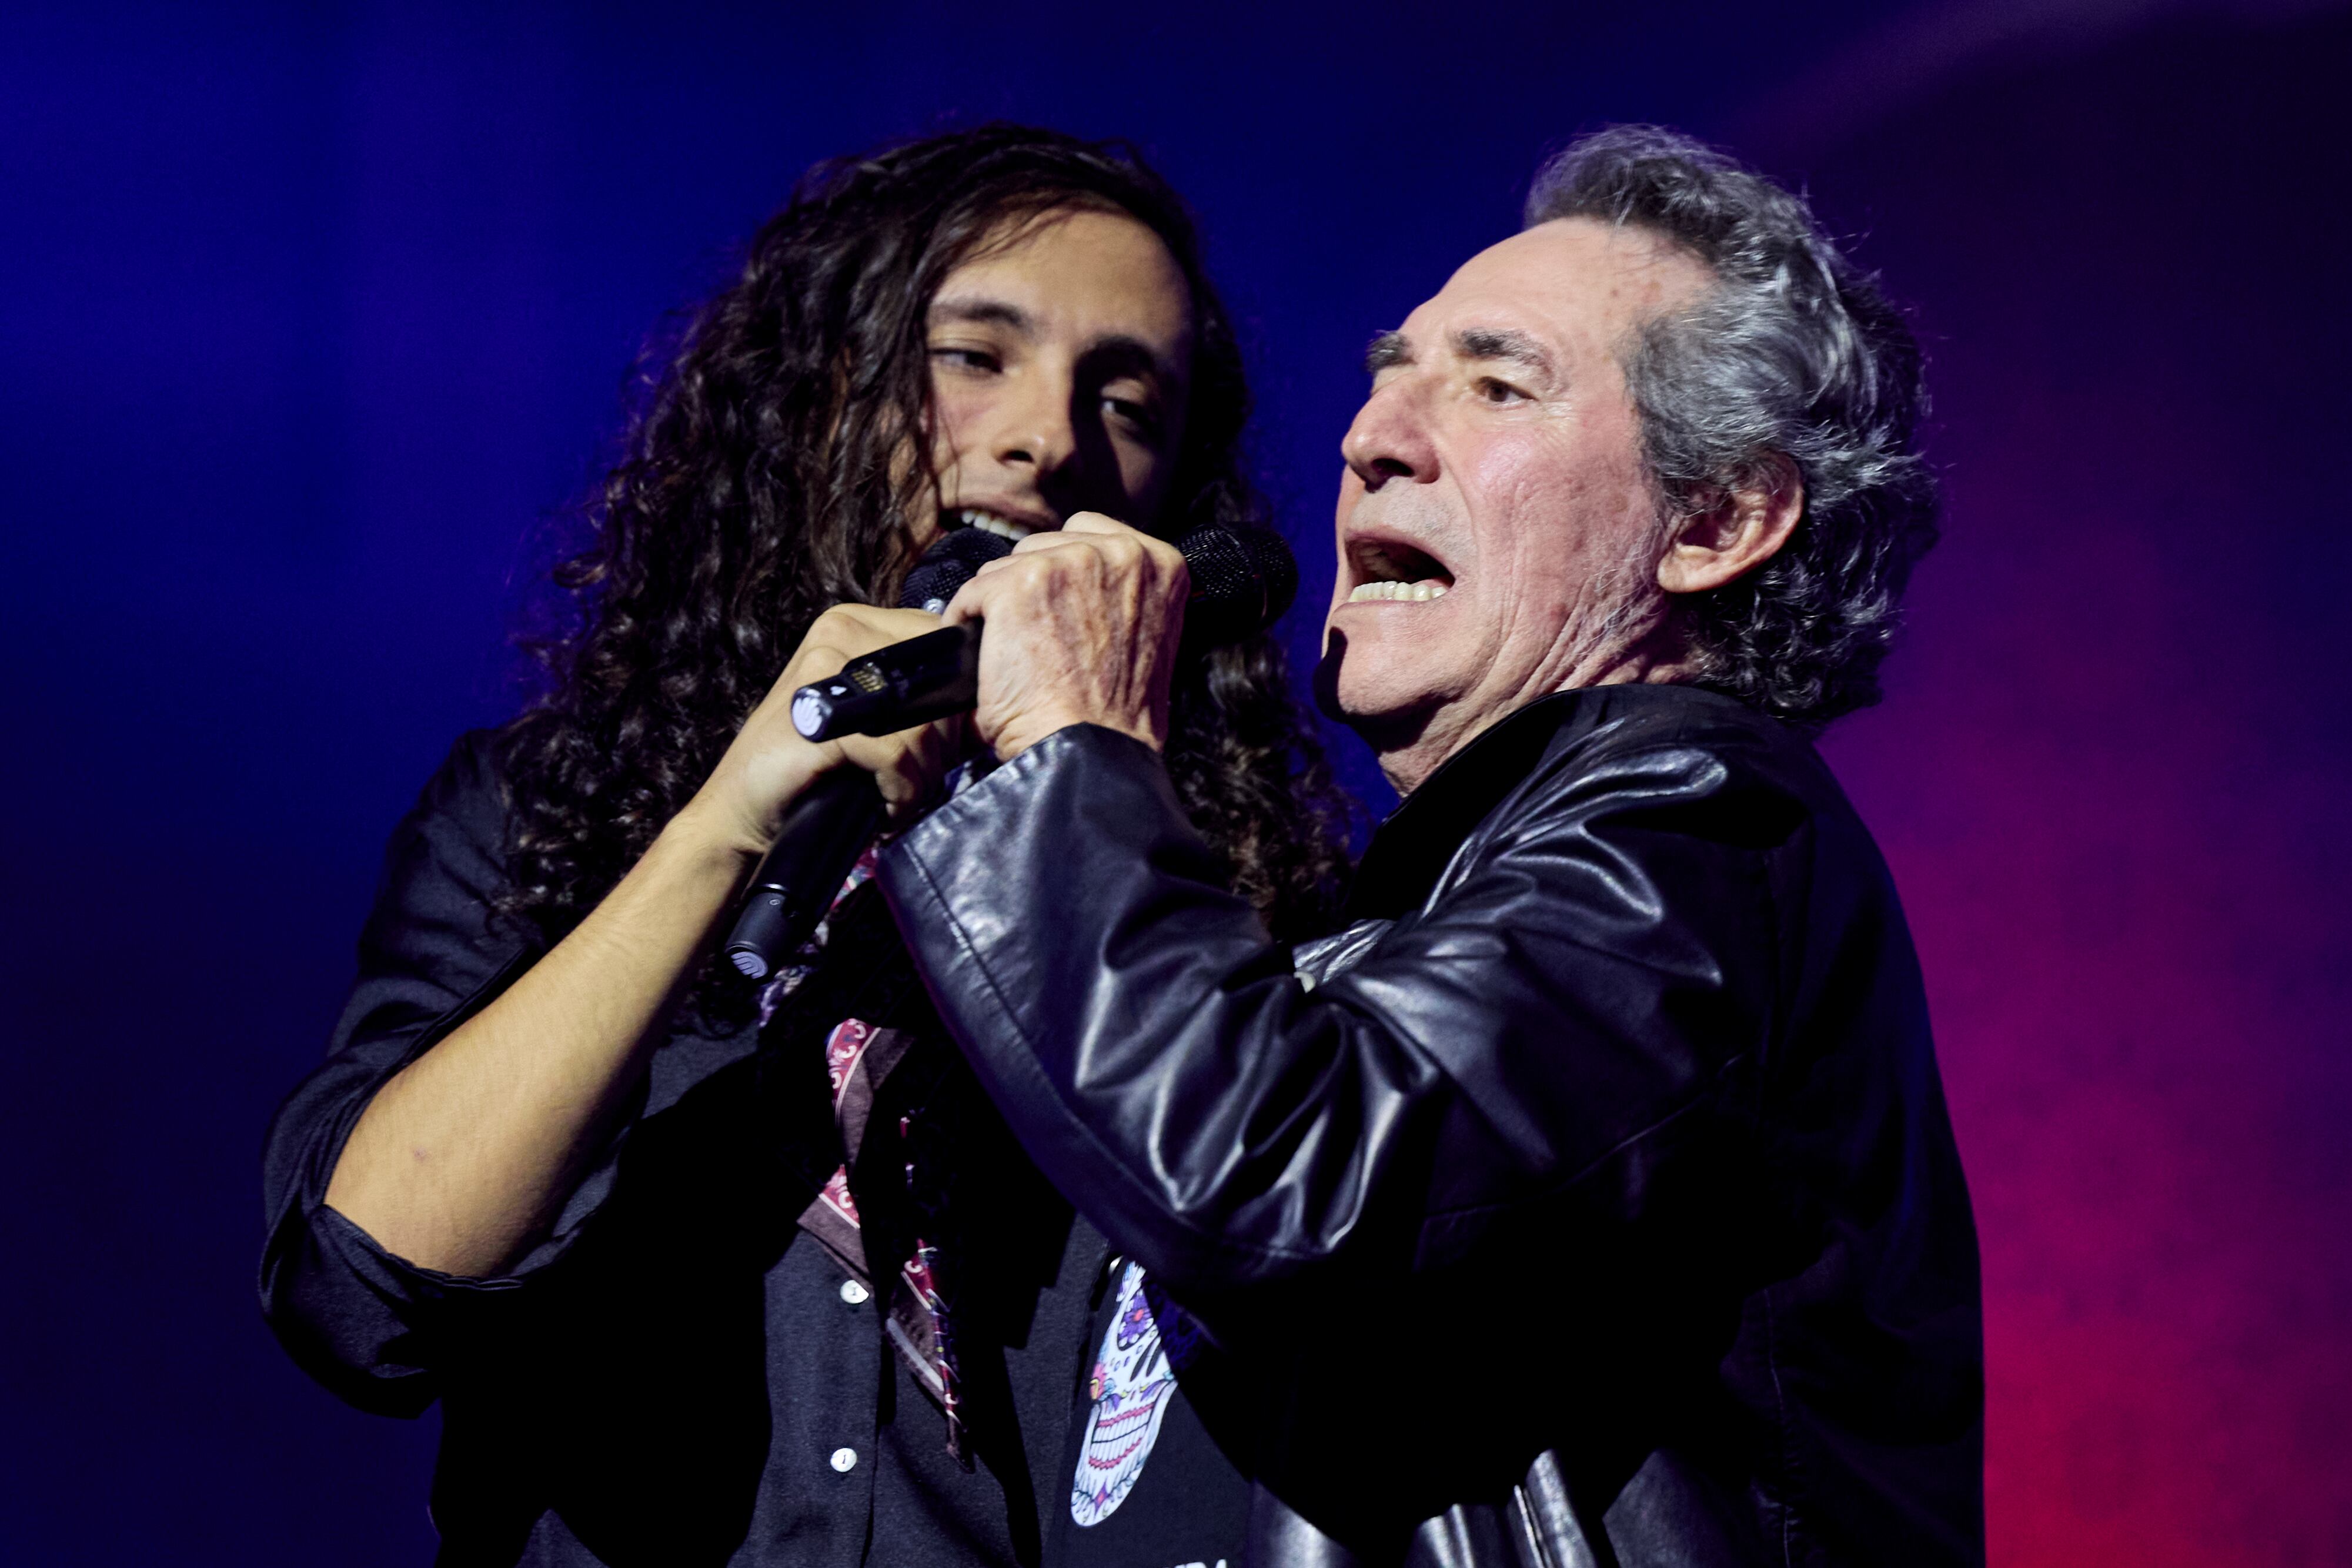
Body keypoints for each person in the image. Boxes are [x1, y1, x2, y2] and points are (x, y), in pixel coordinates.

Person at [867, 126, 1983, 1566]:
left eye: (1494, 382)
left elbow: (1283, 1174)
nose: (1369, 437)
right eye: (1388, 374)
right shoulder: (1437, 898)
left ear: (1713, 520)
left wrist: (1072, 750)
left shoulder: (1700, 826)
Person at [260, 125, 1351, 1567]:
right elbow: (361, 1298)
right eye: (974, 356)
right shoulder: (546, 815)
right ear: (823, 389)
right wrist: (727, 818)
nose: (1048, 439)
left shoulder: (1211, 899)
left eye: (1127, 399)